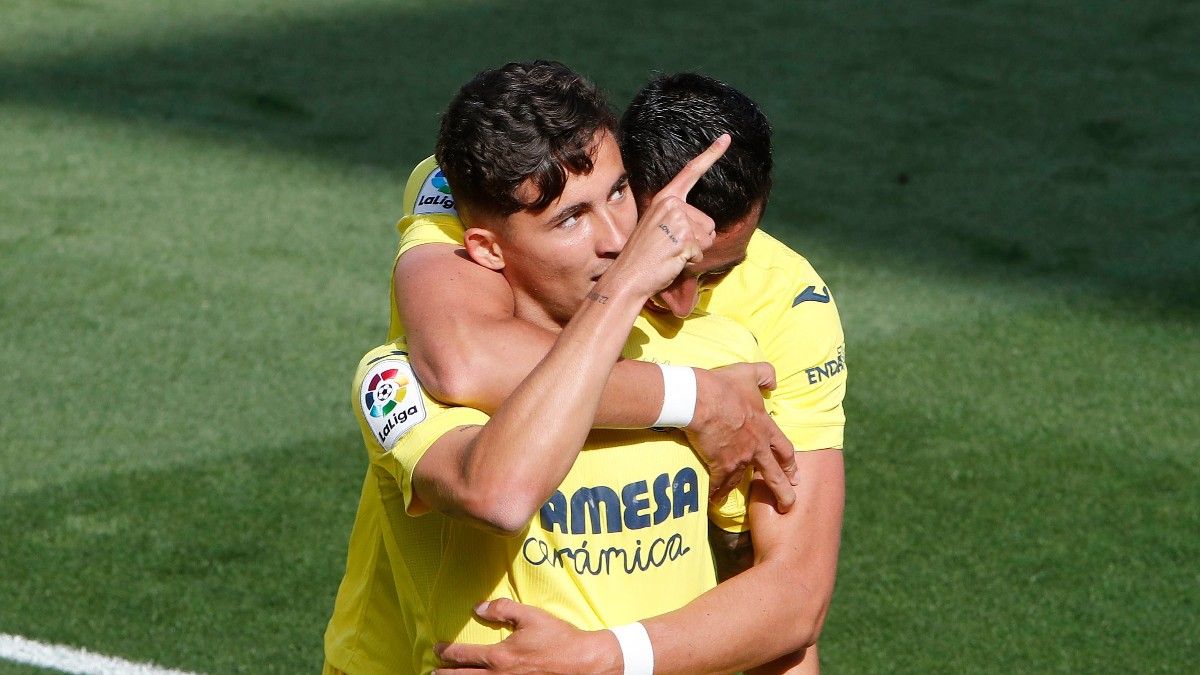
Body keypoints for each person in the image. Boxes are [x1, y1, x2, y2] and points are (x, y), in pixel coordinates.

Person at [324, 61, 795, 675]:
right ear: (487, 250)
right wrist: (625, 290)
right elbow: (497, 492)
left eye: (620, 192)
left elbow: (768, 601)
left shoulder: (719, 353)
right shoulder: (397, 381)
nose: (616, 237)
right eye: (570, 219)